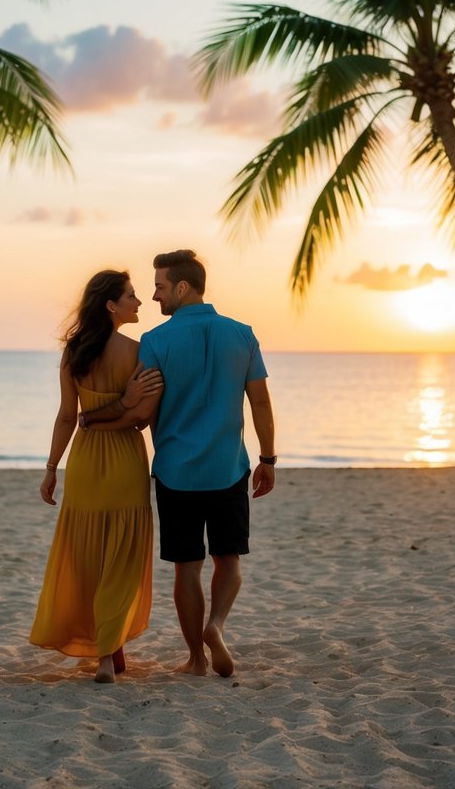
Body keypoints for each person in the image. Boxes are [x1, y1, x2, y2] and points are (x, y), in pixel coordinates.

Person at [83, 249, 276, 678]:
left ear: (183, 287)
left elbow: (143, 412)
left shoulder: (155, 342)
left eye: (160, 286)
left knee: (186, 568)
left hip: (175, 472)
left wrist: (105, 416)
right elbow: (260, 401)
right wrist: (268, 458)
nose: (154, 297)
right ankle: (217, 625)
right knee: (230, 559)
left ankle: (195, 659)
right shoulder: (242, 334)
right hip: (228, 467)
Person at [29, 269, 163, 683]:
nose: (139, 302)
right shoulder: (140, 352)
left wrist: (51, 468)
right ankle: (108, 654)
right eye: (131, 295)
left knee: (91, 559)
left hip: (84, 462)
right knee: (120, 560)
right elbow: (141, 419)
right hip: (124, 460)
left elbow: (68, 416)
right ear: (111, 305)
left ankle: (111, 652)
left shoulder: (74, 352)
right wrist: (125, 406)